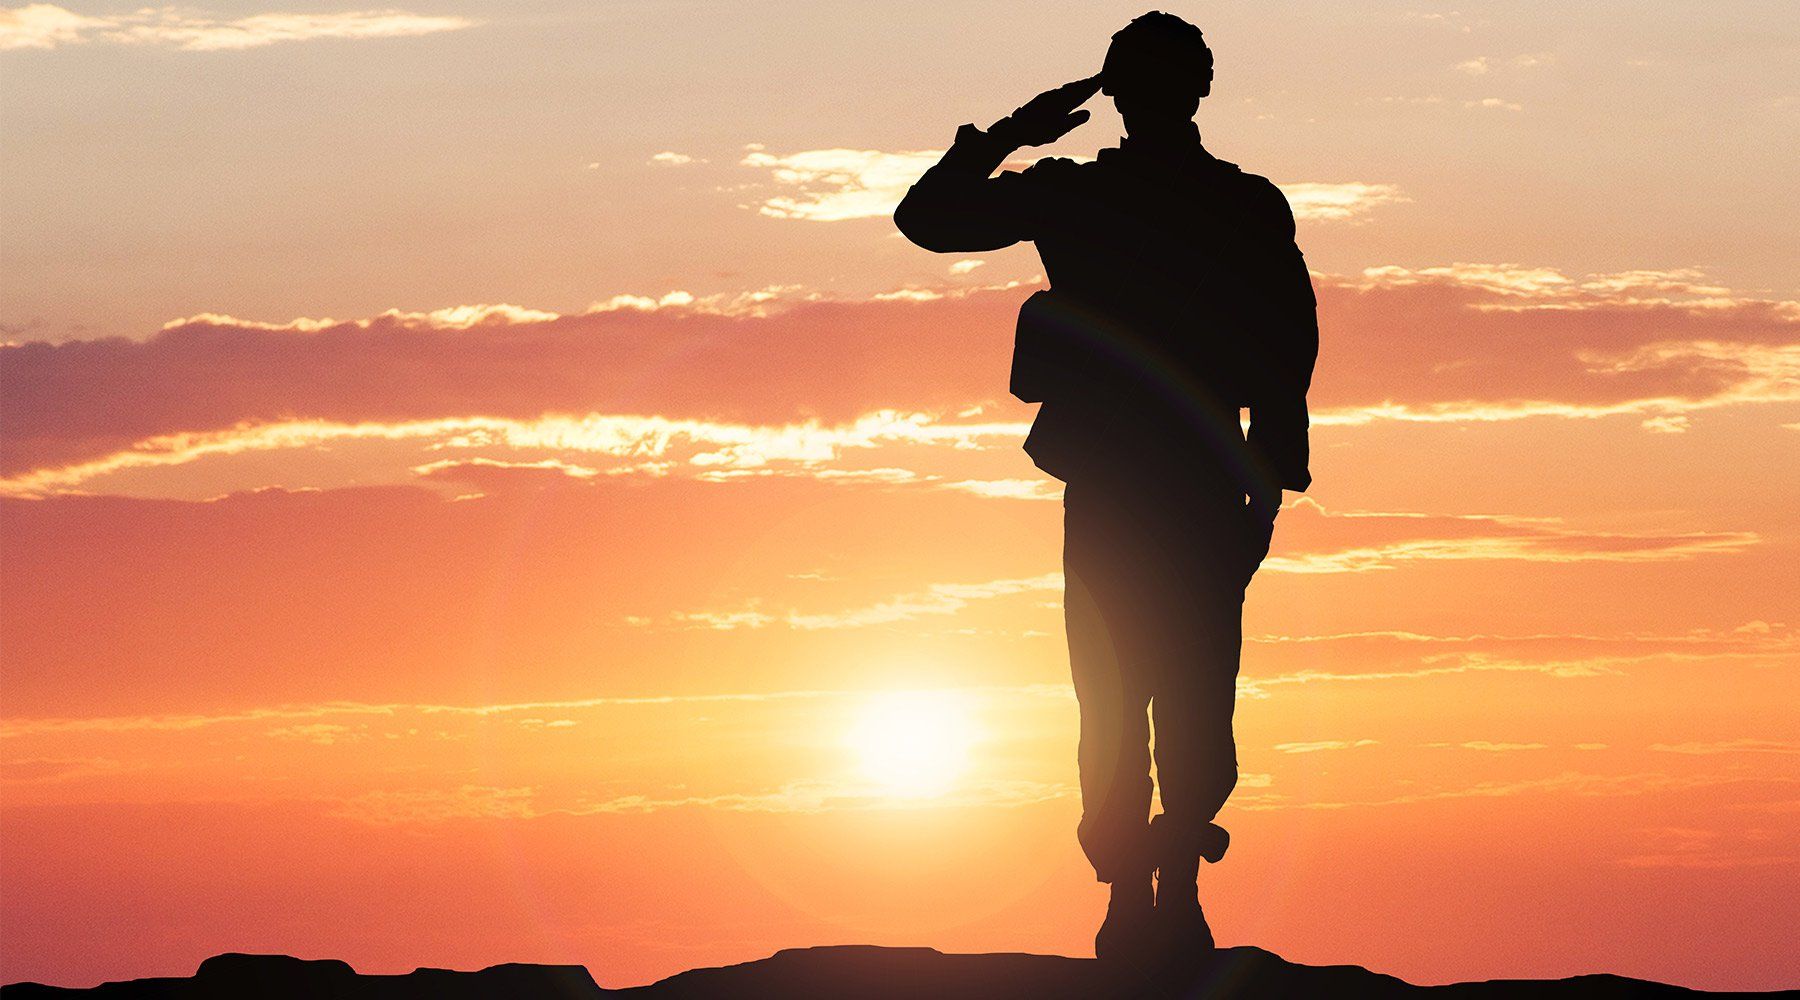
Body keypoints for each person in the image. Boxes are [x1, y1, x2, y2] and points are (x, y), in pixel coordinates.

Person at [894, 11, 1318, 963]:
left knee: (1150, 687)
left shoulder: (1129, 198)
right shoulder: (1182, 200)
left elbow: (1288, 343)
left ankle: (1154, 887)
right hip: (1160, 480)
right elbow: (1291, 345)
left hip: (1166, 482)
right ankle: (1148, 888)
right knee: (1157, 685)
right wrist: (1270, 477)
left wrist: (1010, 134)